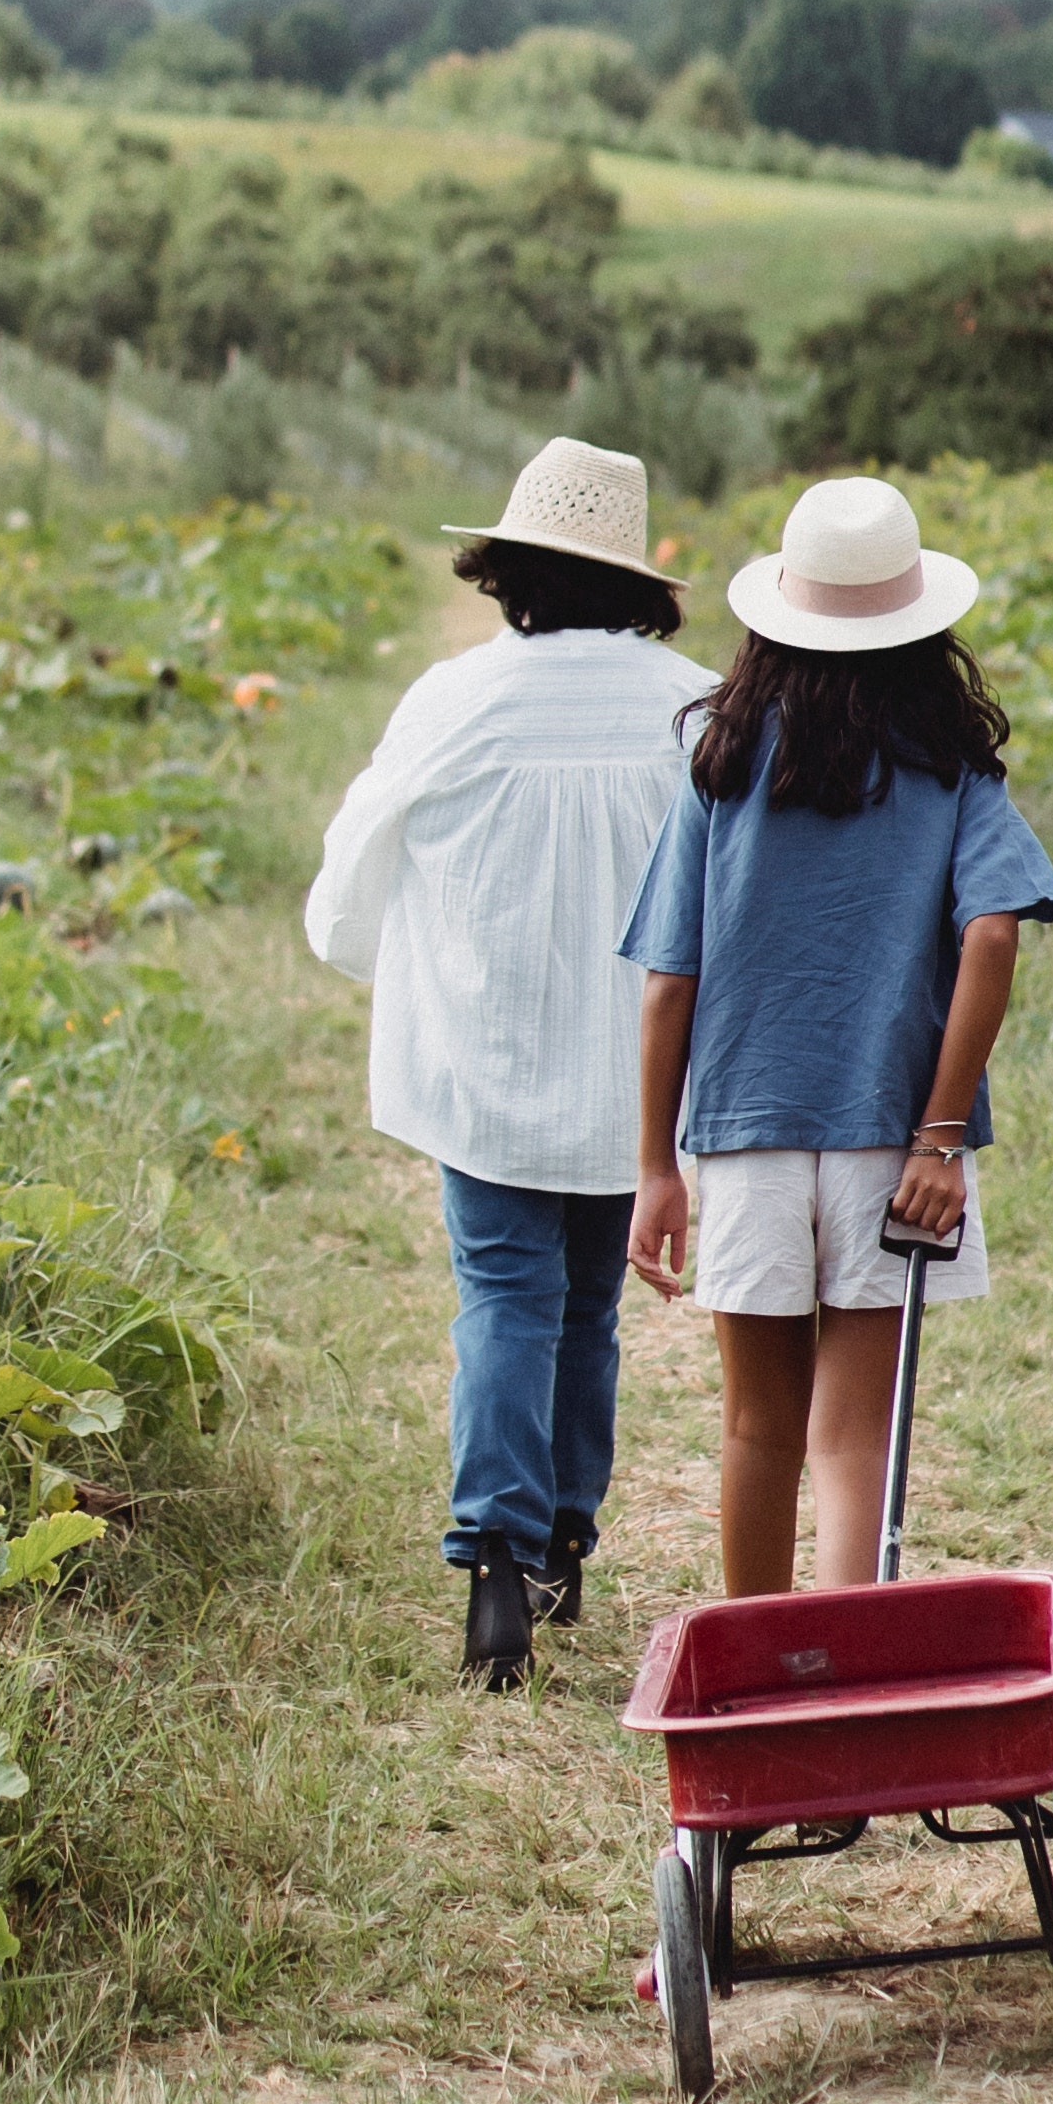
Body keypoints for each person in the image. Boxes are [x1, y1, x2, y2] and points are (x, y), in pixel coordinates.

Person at [303, 437, 706, 1693]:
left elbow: (355, 868)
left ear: (509, 570)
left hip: (489, 1062)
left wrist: (363, 950)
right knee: (590, 1305)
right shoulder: (694, 705)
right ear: (634, 576)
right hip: (634, 1074)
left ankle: (495, 1562)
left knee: (503, 1298)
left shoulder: (452, 701)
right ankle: (565, 1538)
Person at [620, 470, 1053, 1604]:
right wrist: (941, 1132)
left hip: (743, 1128)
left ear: (775, 618)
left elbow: (670, 980)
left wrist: (653, 1169)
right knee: (853, 1437)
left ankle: (762, 1677)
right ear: (925, 629)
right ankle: (846, 1682)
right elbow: (995, 937)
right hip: (888, 1140)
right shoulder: (954, 770)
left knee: (756, 1427)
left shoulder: (718, 764)